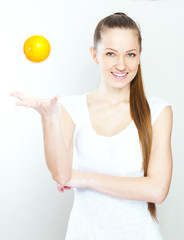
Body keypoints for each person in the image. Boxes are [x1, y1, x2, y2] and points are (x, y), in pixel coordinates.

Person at [11, 12, 173, 240]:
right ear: (94, 55)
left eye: (130, 54)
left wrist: (85, 178)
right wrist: (48, 117)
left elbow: (157, 190)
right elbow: (61, 174)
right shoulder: (70, 107)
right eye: (110, 53)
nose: (121, 64)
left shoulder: (158, 111)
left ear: (139, 56)